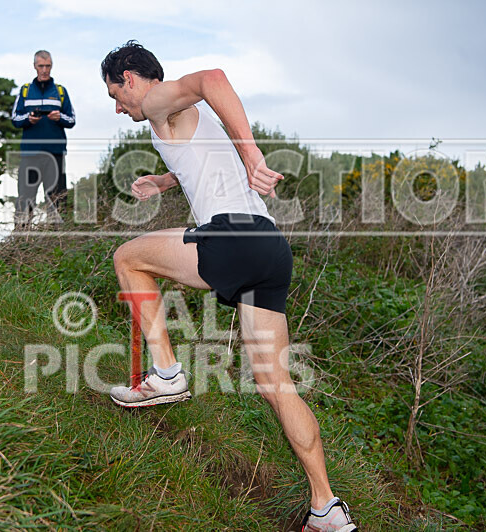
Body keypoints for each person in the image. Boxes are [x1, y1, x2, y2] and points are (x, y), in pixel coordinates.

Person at [101, 41, 357, 532]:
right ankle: (326, 508)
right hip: (268, 247)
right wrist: (163, 181)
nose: (118, 106)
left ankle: (167, 373)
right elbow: (202, 160)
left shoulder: (156, 99)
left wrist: (252, 151)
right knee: (276, 385)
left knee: (128, 258)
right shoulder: (177, 117)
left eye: (115, 93)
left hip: (231, 235)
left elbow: (212, 78)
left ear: (131, 78)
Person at [11, 50, 75, 227]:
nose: (45, 70)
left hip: (55, 154)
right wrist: (28, 120)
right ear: (35, 66)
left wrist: (59, 117)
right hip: (30, 154)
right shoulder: (25, 91)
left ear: (51, 66)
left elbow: (71, 119)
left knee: (57, 198)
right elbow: (15, 119)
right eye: (41, 66)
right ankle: (21, 237)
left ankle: (58, 237)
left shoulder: (61, 91)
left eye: (48, 66)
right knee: (25, 197)